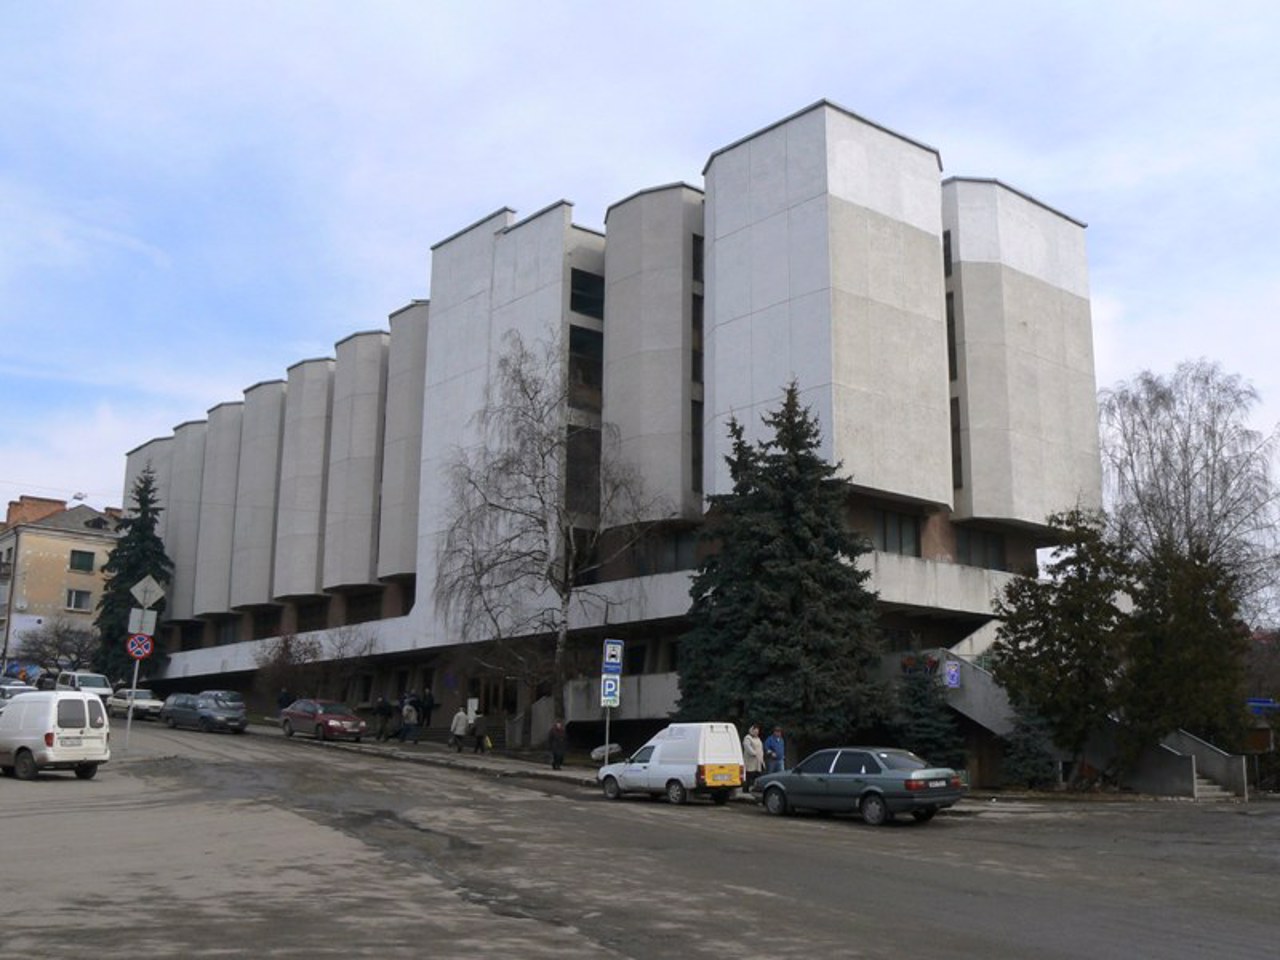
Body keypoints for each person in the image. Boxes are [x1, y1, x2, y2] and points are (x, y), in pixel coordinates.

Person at [742, 724, 766, 789]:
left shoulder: (758, 739)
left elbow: (760, 749)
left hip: (758, 761)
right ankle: (746, 789)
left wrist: (762, 759)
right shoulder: (747, 738)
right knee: (749, 775)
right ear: (752, 731)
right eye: (755, 731)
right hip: (750, 761)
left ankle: (757, 788)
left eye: (757, 731)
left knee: (758, 775)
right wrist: (754, 753)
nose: (756, 732)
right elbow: (748, 748)